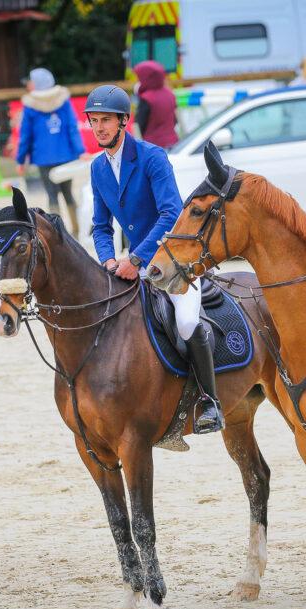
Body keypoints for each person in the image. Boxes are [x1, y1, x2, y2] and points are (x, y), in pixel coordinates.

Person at [85, 84, 224, 433]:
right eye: (94, 121)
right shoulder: (97, 168)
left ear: (123, 123)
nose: (99, 127)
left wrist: (136, 257)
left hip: (173, 259)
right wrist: (107, 261)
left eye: (106, 121)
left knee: (187, 322)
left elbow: (169, 213)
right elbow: (100, 226)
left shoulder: (151, 157)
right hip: (127, 264)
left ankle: (210, 401)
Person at [15, 67, 85, 236]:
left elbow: (26, 135)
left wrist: (20, 159)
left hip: (43, 157)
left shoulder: (30, 105)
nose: (29, 84)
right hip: (65, 155)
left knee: (51, 195)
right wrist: (80, 150)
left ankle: (59, 233)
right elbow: (71, 127)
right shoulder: (63, 100)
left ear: (37, 83)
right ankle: (76, 230)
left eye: (31, 80)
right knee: (68, 193)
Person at [132, 60, 178, 149]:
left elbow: (139, 125)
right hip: (173, 142)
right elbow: (175, 120)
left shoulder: (146, 98)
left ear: (146, 77)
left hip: (152, 146)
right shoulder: (170, 94)